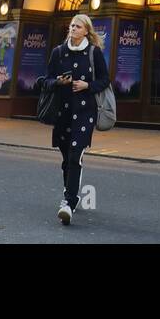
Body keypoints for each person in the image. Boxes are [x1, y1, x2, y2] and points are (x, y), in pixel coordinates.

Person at [42, 13, 110, 225]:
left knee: (75, 155)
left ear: (86, 31)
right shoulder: (58, 52)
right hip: (63, 111)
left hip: (84, 112)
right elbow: (46, 80)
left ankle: (68, 203)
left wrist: (87, 85)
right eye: (71, 25)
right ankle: (71, 192)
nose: (73, 29)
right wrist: (58, 82)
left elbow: (105, 79)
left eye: (78, 26)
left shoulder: (94, 52)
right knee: (66, 158)